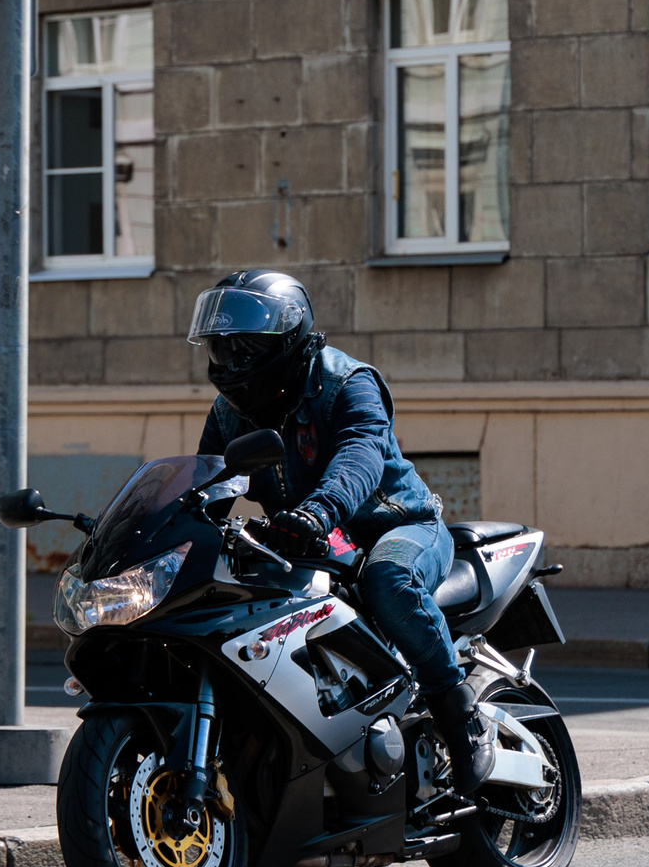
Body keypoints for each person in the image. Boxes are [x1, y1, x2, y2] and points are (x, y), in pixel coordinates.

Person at [188, 269, 499, 793]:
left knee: (388, 581)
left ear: (285, 339)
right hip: (309, 538)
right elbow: (205, 478)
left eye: (242, 346)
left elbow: (360, 454)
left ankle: (457, 711)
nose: (230, 361)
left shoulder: (346, 382)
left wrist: (318, 511)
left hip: (398, 526)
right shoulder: (229, 413)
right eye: (220, 348)